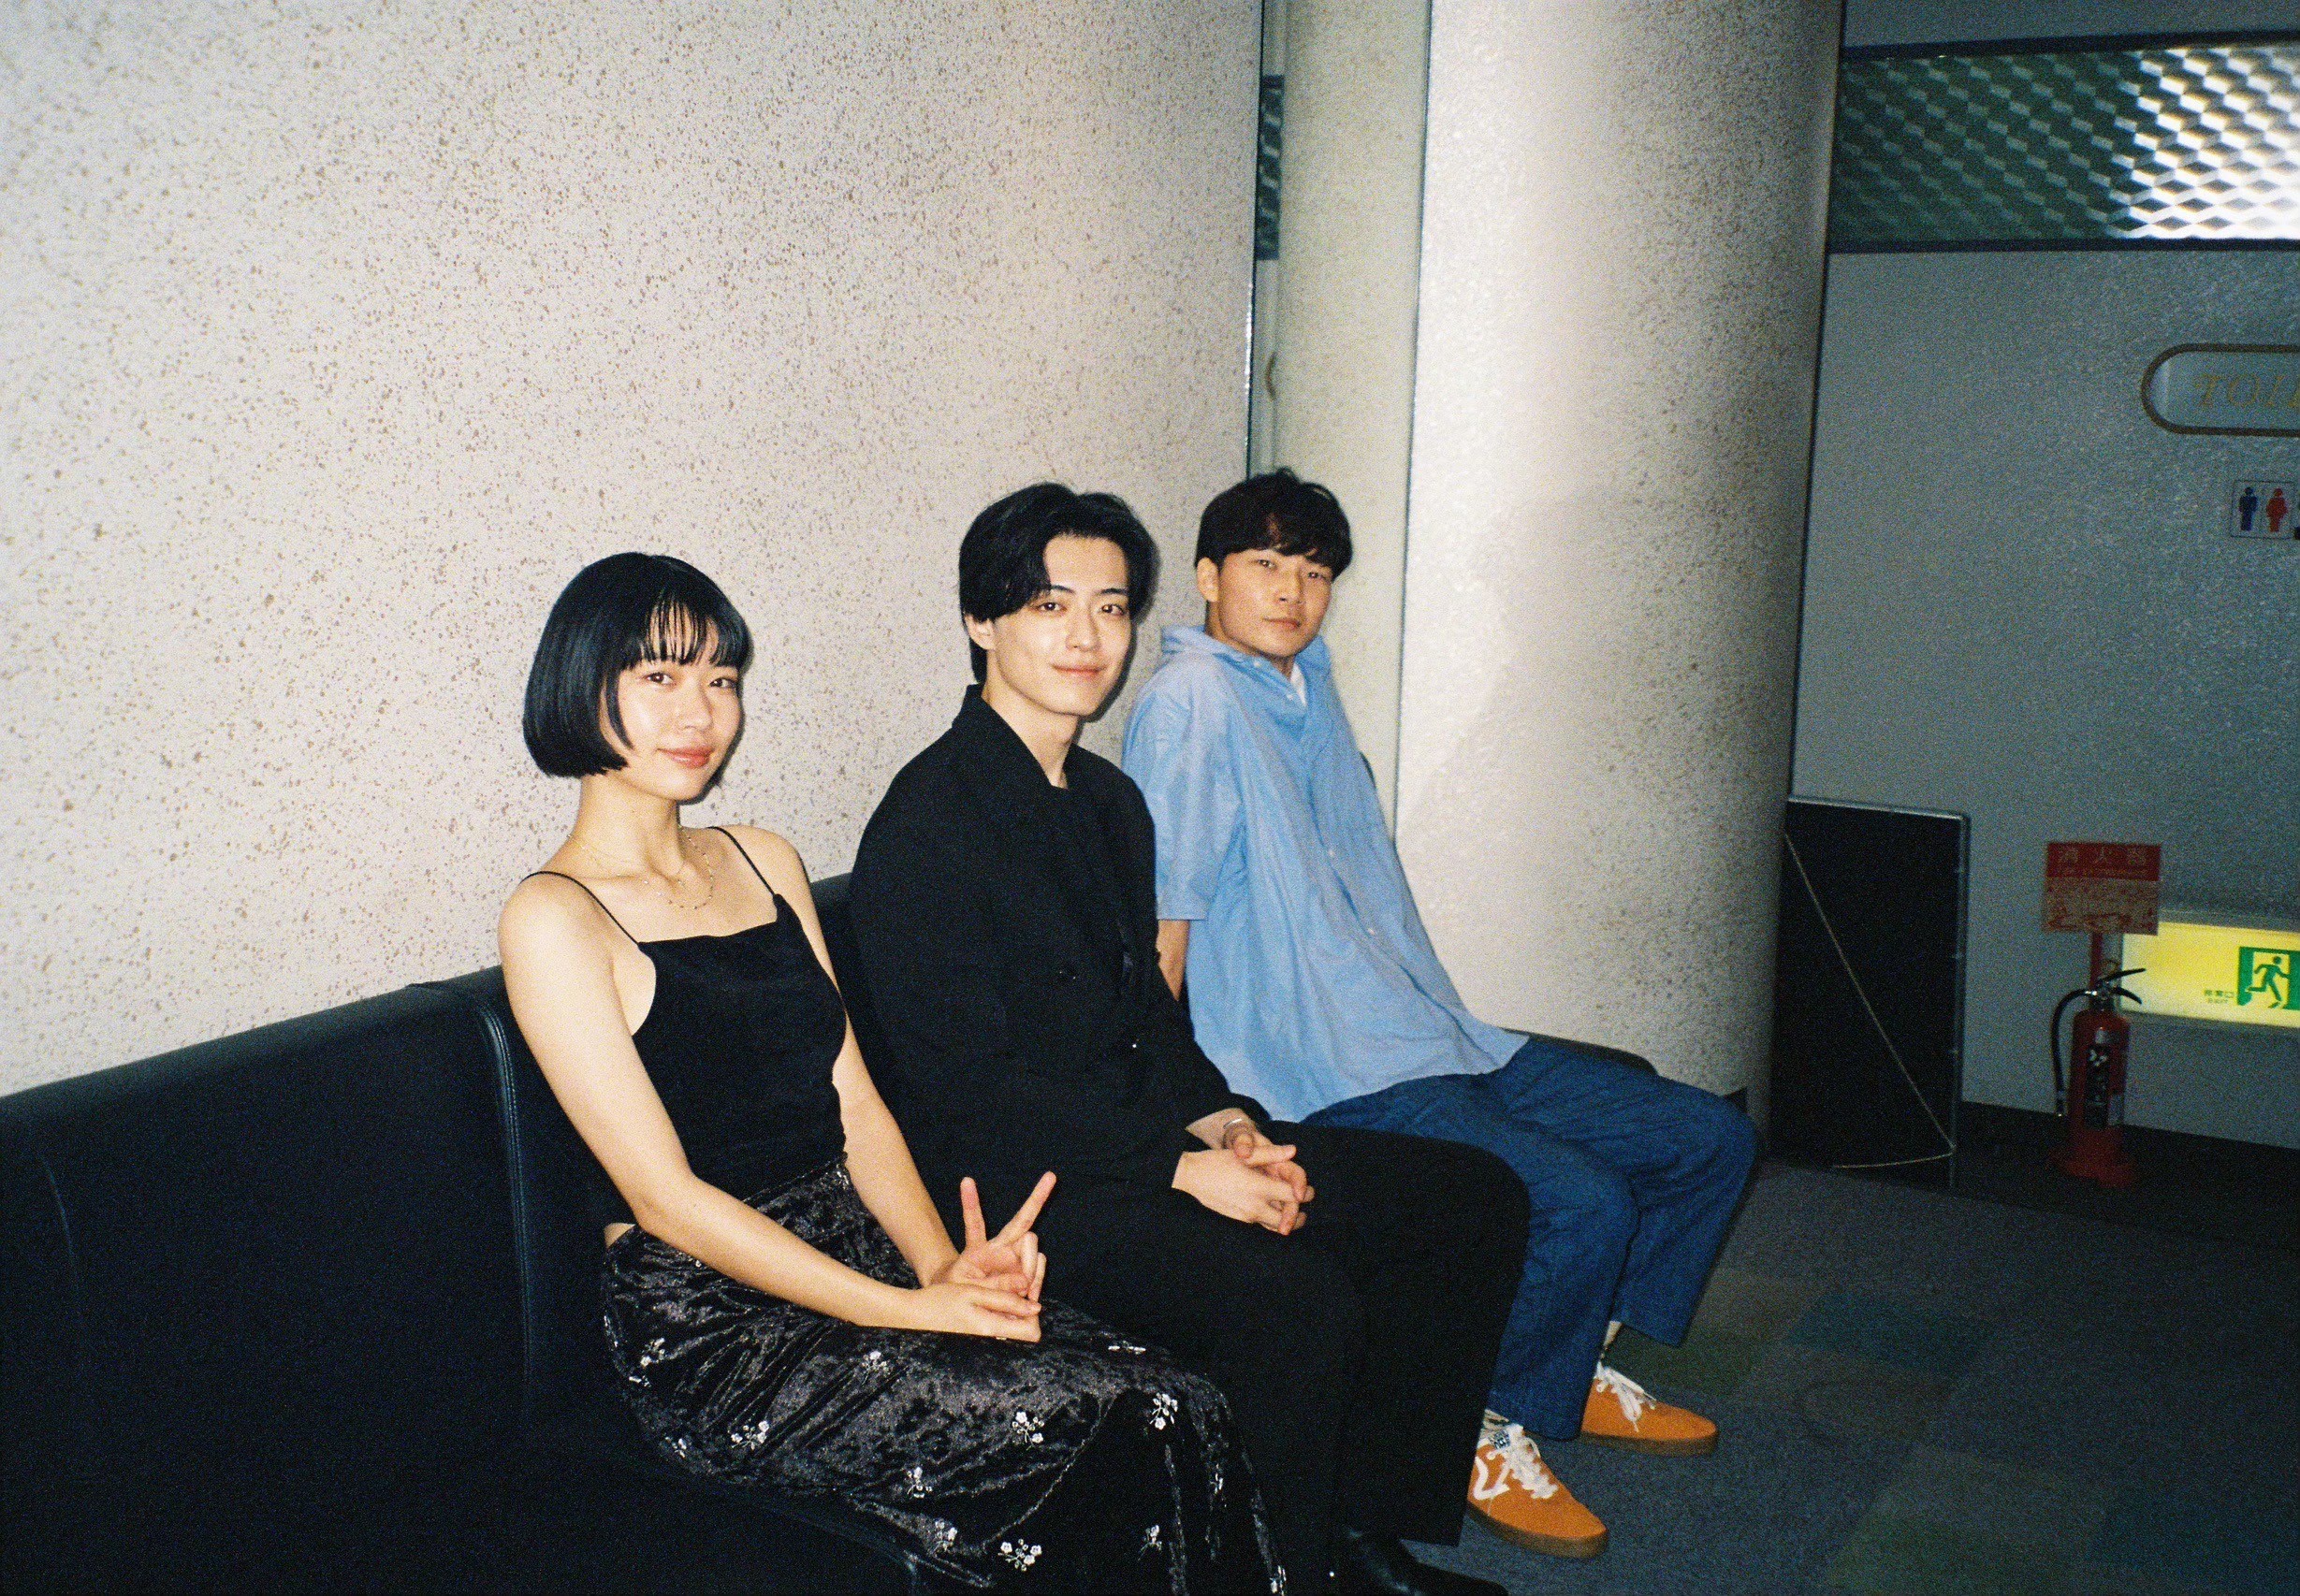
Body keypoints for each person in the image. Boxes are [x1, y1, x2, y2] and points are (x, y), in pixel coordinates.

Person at [497, 552, 1280, 1593]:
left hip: (854, 1246)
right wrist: (905, 1308)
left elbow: (856, 1102)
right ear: (580, 684)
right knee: (1113, 1423)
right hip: (715, 1323)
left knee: (1182, 1392)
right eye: (660, 676)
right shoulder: (553, 918)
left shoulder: (763, 858)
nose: (701, 710)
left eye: (721, 679)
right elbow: (664, 1197)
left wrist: (941, 1267)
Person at [848, 486, 1529, 1596]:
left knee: (1466, 1199)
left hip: (1147, 1138)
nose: (1085, 638)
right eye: (1048, 605)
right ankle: (1277, 1573)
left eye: (1111, 609)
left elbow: (1148, 1019)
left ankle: (1359, 1535)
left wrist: (1230, 1124)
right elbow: (968, 1089)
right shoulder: (930, 822)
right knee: (1294, 1300)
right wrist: (1181, 1169)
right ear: (981, 622)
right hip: (1025, 1187)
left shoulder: (1110, 800)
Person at [1120, 472, 1761, 1560]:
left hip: (1433, 1028)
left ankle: (1558, 1353)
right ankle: (1475, 1418)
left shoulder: (1305, 685)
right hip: (1323, 1062)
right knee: (1581, 1199)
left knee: (1707, 1137)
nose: (1292, 591)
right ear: (1206, 577)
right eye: (1265, 564)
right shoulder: (1193, 703)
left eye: (1314, 571)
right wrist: (1187, 1112)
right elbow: (1161, 934)